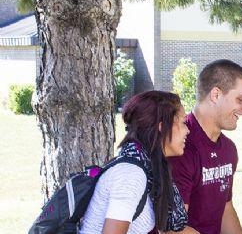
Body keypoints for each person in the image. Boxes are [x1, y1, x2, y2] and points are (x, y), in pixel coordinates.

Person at [80, 90, 194, 234]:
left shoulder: (148, 168)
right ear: (162, 126)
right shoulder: (130, 175)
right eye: (183, 122)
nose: (187, 130)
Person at [169, 59, 242, 234]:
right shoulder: (179, 147)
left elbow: (225, 207)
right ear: (215, 95)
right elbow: (173, 229)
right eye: (240, 99)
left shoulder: (229, 149)